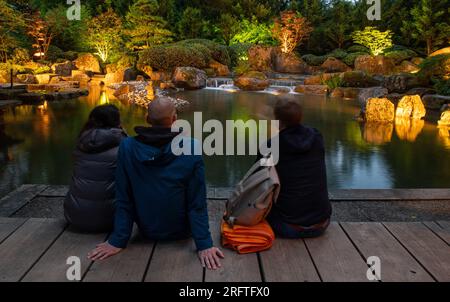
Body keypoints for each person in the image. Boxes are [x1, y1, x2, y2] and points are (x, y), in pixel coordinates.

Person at [88, 97, 224, 270]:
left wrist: (118, 240)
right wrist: (204, 244)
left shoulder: (127, 147)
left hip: (146, 230)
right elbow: (196, 202)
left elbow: (123, 196)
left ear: (147, 119)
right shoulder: (191, 147)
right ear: (175, 120)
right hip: (182, 232)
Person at [262, 98, 332, 239]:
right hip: (322, 223)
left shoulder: (271, 145)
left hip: (289, 227)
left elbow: (258, 182)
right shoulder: (316, 137)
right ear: (301, 117)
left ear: (278, 121)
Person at [64, 104, 127, 232]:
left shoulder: (82, 141)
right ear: (117, 121)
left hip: (74, 216)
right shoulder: (124, 145)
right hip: (109, 219)